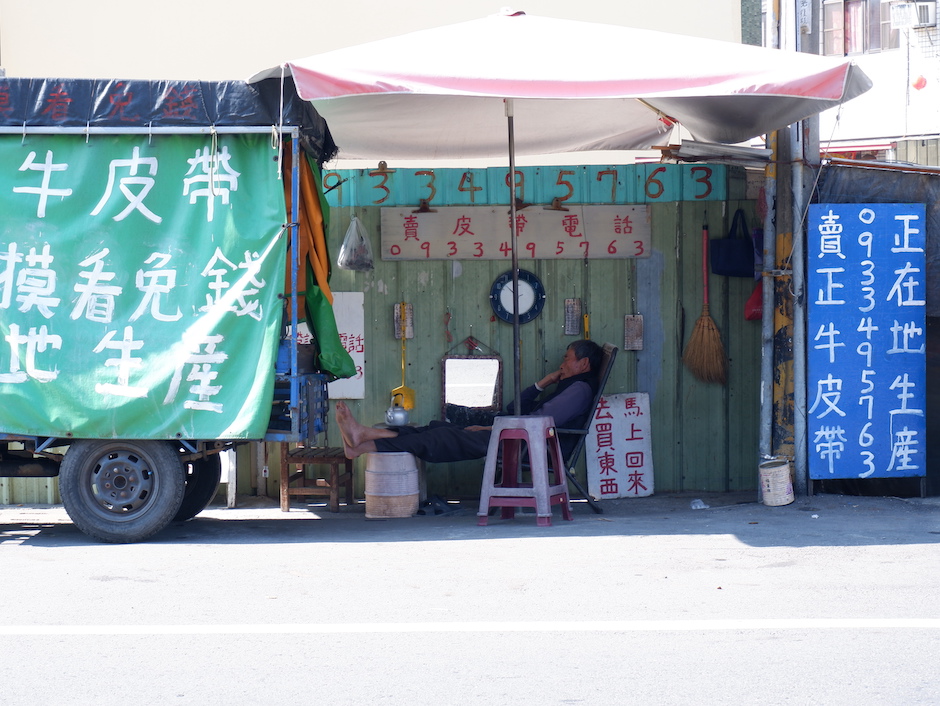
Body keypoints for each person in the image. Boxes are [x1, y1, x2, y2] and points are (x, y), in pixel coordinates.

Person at [335, 339, 602, 462]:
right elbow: (513, 410)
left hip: (527, 444)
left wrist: (488, 429)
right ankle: (364, 436)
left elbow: (536, 424)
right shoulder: (569, 386)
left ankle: (362, 445)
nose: (562, 364)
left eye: (567, 359)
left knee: (441, 439)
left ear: (584, 363)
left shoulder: (579, 390)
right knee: (437, 427)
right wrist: (544, 382)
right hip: (516, 435)